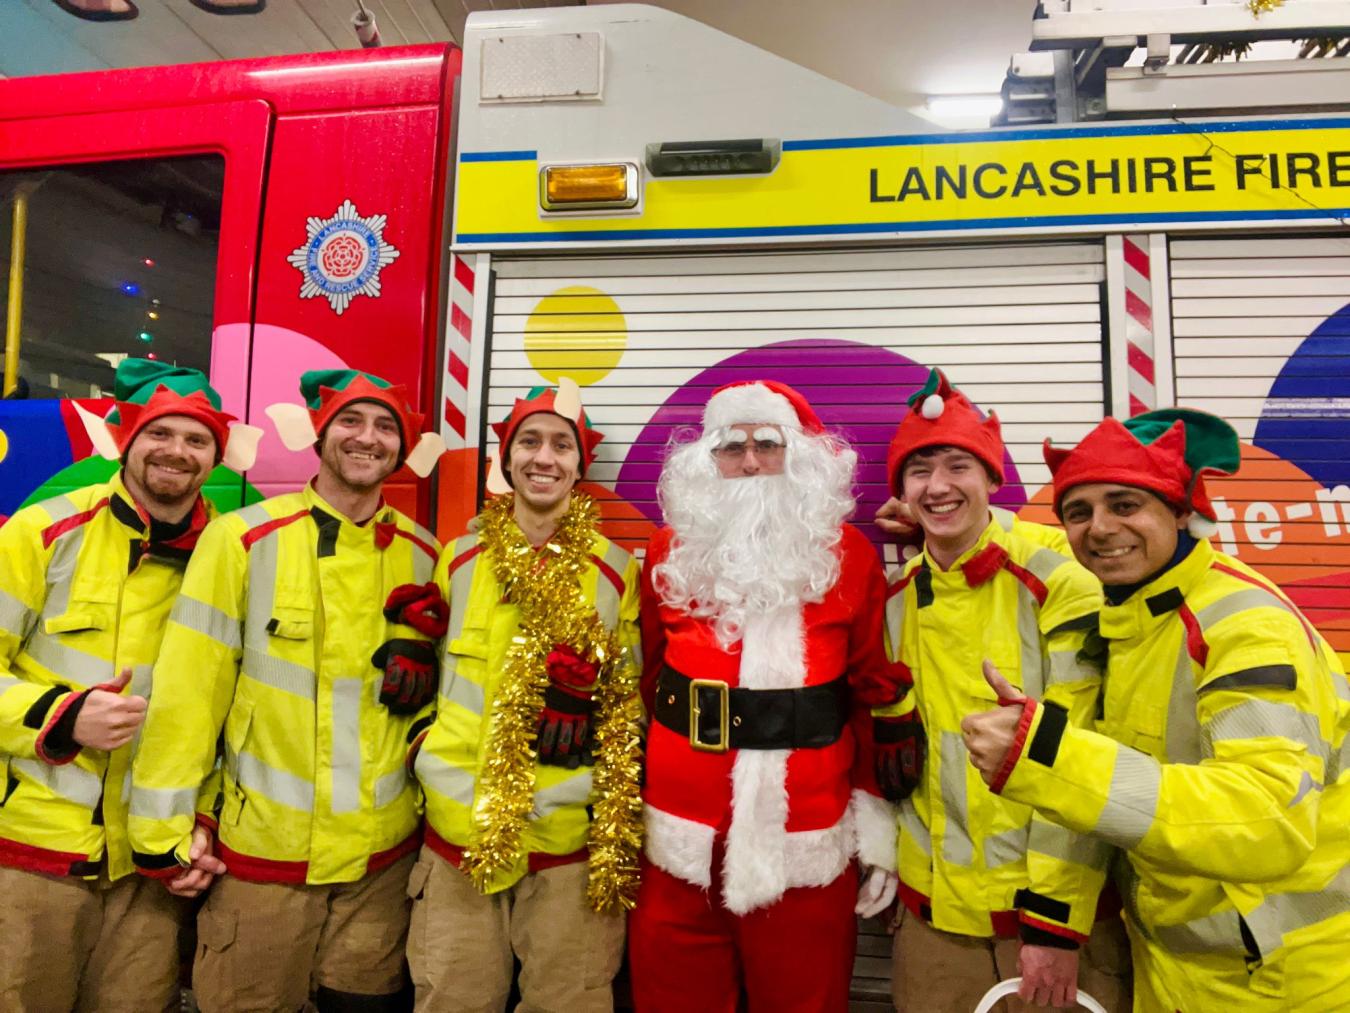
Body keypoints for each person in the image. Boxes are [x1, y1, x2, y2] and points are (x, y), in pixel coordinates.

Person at [963, 408, 1350, 1012]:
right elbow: (1096, 800)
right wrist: (1053, 926)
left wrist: (1046, 755)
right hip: (1174, 967)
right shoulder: (1121, 619)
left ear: (1179, 512)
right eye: (1078, 511)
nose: (1099, 528)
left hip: (1283, 980)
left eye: (1125, 504)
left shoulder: (1246, 626)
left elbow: (1268, 820)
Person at [129, 369, 444, 1013]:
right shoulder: (241, 539)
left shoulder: (425, 553)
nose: (368, 437)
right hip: (263, 859)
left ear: (405, 446)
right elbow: (189, 695)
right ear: (320, 433)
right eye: (351, 421)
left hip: (381, 865)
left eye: (386, 425)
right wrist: (165, 828)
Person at [628, 380, 906, 1013]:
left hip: (803, 843)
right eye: (732, 447)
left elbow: (868, 694)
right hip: (678, 844)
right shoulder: (670, 551)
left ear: (801, 457)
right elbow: (646, 677)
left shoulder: (850, 558)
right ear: (707, 461)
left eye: (767, 445)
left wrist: (876, 832)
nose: (749, 462)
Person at [0, 359, 257, 1011]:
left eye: (197, 439)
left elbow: (235, 709)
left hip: (152, 866)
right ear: (127, 438)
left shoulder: (231, 558)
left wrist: (202, 820)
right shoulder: (41, 533)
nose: (177, 451)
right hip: (33, 855)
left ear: (216, 456)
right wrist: (56, 715)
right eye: (160, 434)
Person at [877, 369, 1129, 1013]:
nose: (938, 486)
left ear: (993, 478)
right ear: (901, 493)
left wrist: (1054, 924)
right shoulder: (896, 599)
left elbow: (1086, 766)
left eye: (959, 465)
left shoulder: (1058, 580)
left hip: (1047, 927)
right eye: (919, 470)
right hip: (933, 926)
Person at [404, 381, 643, 1013]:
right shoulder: (456, 560)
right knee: (452, 1001)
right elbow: (426, 685)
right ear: (505, 460)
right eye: (528, 442)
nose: (544, 457)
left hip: (568, 852)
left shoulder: (619, 571)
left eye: (561, 445)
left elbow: (631, 705)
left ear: (579, 466)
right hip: (458, 843)